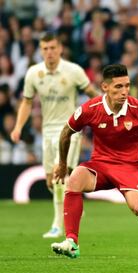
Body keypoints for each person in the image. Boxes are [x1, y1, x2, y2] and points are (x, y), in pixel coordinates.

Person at [51, 64, 138, 260]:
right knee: (74, 179)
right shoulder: (90, 109)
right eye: (118, 87)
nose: (124, 91)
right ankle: (72, 242)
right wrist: (63, 164)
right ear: (105, 87)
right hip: (100, 165)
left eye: (127, 86)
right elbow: (66, 132)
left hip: (129, 167)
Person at [10, 33, 98, 238]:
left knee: (60, 175)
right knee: (51, 181)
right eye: (45, 48)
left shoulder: (73, 71)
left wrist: (103, 114)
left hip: (70, 129)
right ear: (41, 51)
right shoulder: (34, 73)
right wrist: (18, 127)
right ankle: (73, 200)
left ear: (60, 49)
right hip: (48, 131)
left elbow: (92, 94)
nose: (49, 52)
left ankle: (59, 225)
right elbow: (27, 102)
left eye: (52, 48)